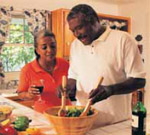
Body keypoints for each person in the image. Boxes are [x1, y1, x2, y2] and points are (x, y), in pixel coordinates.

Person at [66, 4, 146, 127]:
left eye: (79, 28)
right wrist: (68, 86)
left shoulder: (123, 40)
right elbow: (74, 75)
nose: (77, 34)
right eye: (73, 31)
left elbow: (139, 80)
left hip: (115, 123)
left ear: (94, 20)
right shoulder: (75, 45)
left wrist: (110, 90)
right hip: (82, 121)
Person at [17, 30, 71, 113]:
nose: (49, 50)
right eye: (44, 47)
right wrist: (29, 94)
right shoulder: (27, 69)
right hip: (43, 115)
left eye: (53, 46)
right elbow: (20, 94)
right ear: (37, 50)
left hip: (67, 113)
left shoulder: (65, 64)